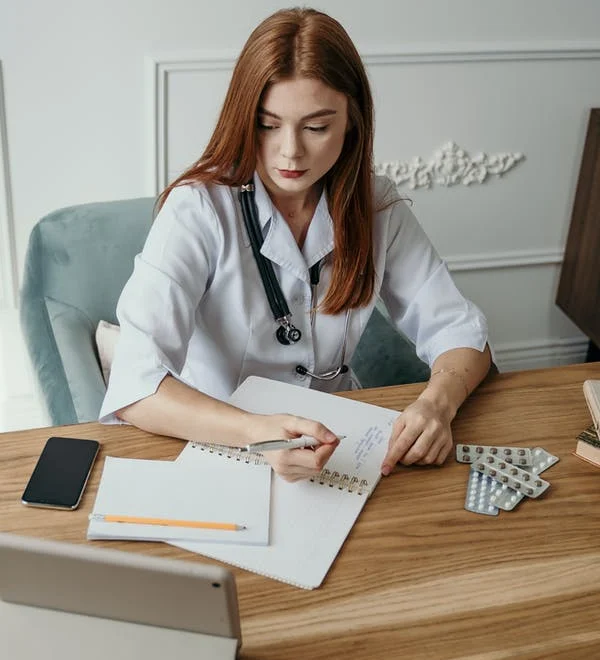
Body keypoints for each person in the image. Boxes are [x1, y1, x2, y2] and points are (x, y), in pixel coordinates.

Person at [100, 7, 492, 482]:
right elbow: (136, 386)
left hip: (343, 443)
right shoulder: (197, 210)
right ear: (245, 118)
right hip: (221, 442)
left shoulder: (377, 205)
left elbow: (461, 332)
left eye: (315, 127)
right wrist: (257, 434)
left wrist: (436, 404)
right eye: (268, 124)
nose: (290, 151)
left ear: (351, 123)